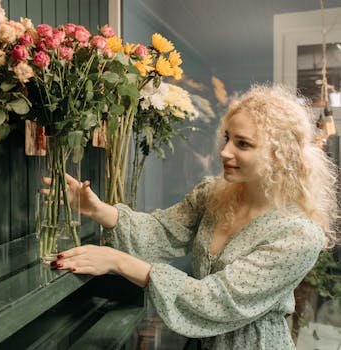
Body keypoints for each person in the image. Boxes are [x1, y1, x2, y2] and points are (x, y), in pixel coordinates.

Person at [42, 84, 339, 349]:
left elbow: (215, 301)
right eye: (227, 138)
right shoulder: (214, 194)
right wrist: (97, 209)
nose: (224, 151)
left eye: (242, 143)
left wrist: (117, 260)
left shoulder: (298, 234)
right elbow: (161, 232)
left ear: (280, 154)